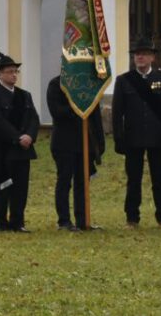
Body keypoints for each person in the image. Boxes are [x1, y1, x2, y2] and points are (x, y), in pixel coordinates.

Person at [111, 37, 161, 230]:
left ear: (152, 57)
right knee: (133, 180)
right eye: (137, 54)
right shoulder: (124, 81)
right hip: (133, 138)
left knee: (159, 179)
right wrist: (119, 138)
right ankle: (132, 218)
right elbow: (117, 113)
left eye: (144, 54)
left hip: (158, 138)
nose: (139, 57)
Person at [0, 52, 38, 232]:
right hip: (2, 149)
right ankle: (1, 222)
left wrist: (29, 135)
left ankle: (18, 222)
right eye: (9, 71)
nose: (13, 75)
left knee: (21, 188)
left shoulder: (25, 95)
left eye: (15, 71)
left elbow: (33, 119)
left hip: (23, 150)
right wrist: (17, 137)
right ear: (0, 74)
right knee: (1, 186)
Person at [47, 74, 104, 231]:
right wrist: (79, 105)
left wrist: (99, 142)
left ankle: (83, 220)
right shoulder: (56, 84)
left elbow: (95, 115)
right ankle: (64, 221)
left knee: (82, 183)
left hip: (84, 143)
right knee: (64, 182)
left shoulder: (89, 85)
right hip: (64, 142)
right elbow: (57, 112)